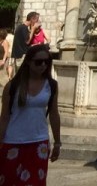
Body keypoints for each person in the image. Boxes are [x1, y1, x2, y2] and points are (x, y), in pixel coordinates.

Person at [0, 44, 60, 185]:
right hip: (13, 141)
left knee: (35, 182)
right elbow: (4, 117)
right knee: (9, 181)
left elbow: (54, 114)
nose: (43, 65)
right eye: (38, 62)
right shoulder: (13, 86)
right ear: (28, 62)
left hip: (39, 142)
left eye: (47, 62)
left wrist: (57, 142)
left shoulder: (51, 85)